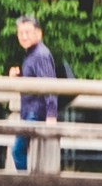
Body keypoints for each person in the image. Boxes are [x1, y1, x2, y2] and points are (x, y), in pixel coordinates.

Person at [11, 11, 64, 174]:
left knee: (18, 150)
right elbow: (34, 80)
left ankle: (25, 184)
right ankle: (27, 183)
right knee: (21, 150)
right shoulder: (31, 54)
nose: (24, 36)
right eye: (20, 33)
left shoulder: (40, 54)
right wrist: (19, 76)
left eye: (28, 32)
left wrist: (51, 114)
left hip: (35, 111)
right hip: (30, 110)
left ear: (38, 33)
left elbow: (49, 84)